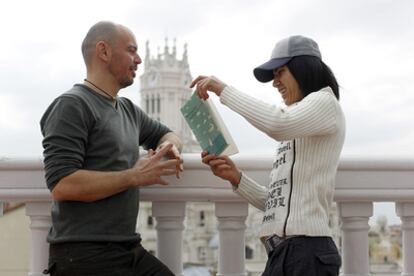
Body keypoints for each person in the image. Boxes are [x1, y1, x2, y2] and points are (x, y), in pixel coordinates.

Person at [191, 35, 345, 275]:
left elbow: (277, 123)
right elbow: (275, 204)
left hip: (307, 252)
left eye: (280, 72)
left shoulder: (324, 102)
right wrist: (237, 178)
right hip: (285, 253)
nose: (275, 83)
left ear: (302, 68)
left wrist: (223, 90)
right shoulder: (298, 122)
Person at [40, 21, 183, 276]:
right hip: (84, 255)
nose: (138, 59)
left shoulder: (127, 109)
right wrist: (134, 176)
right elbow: (62, 183)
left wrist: (169, 147)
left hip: (128, 248)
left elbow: (166, 133)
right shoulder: (71, 105)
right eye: (131, 50)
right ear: (104, 51)